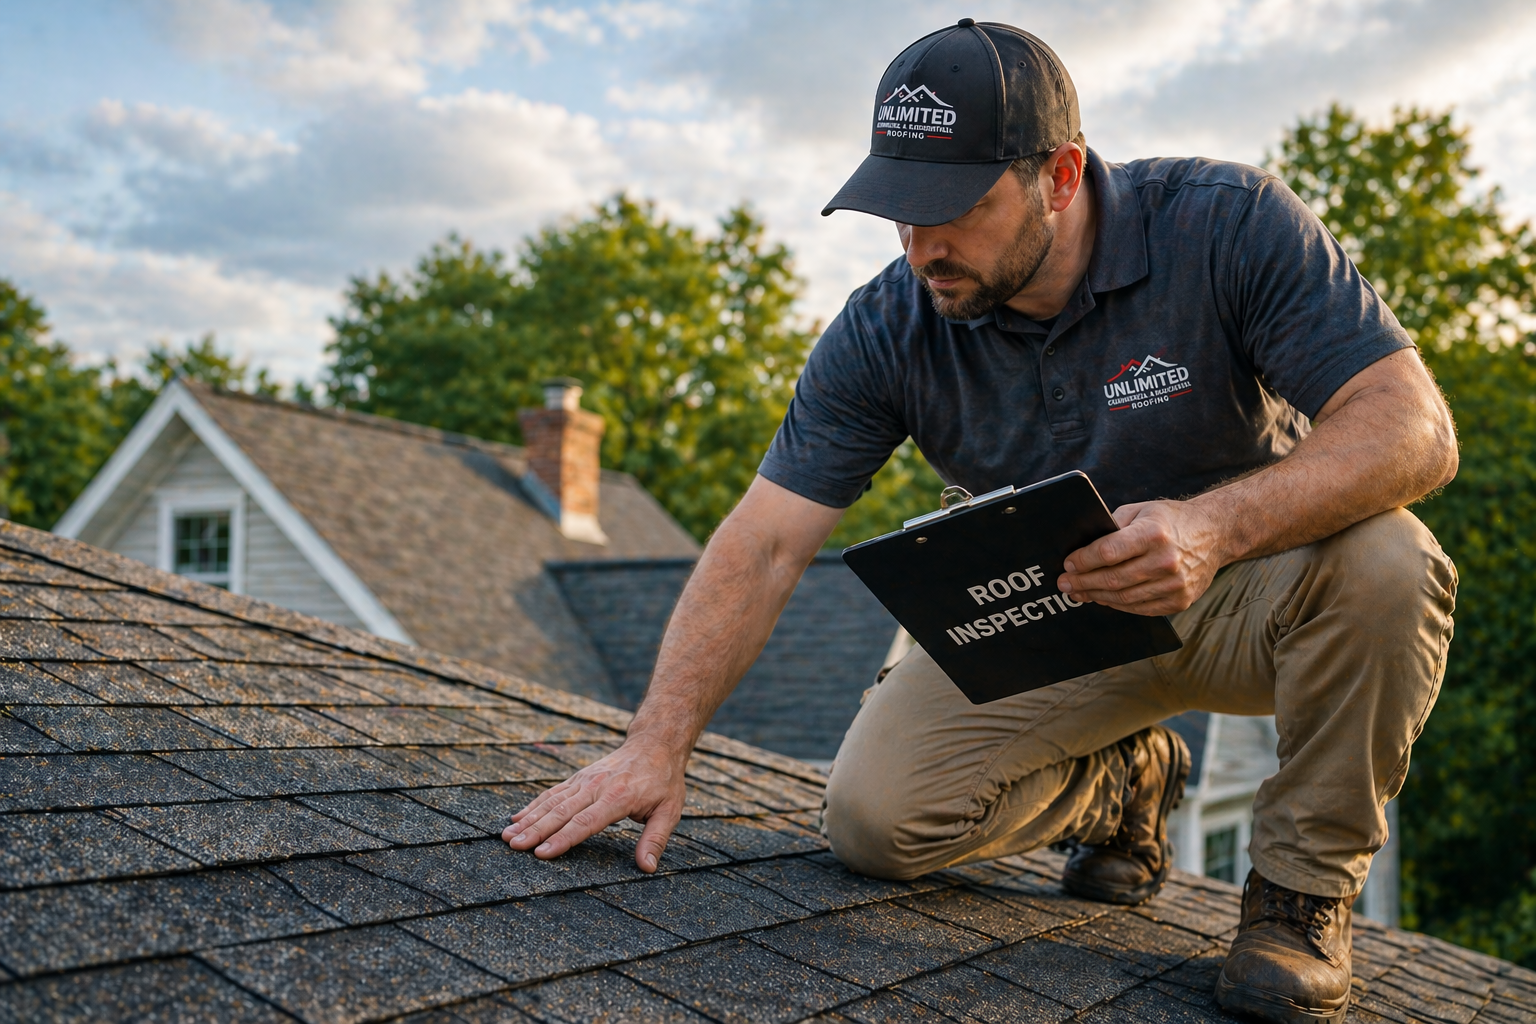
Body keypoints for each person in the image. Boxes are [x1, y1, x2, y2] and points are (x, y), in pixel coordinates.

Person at [504, 19, 1457, 1024]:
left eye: (953, 209)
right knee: (873, 822)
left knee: (1393, 560)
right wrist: (657, 743)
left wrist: (1213, 528)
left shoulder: (1224, 223)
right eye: (897, 214)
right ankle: (1121, 781)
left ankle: (1299, 900)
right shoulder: (890, 324)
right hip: (1050, 615)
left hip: (1255, 597)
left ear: (1060, 175)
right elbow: (765, 539)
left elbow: (1414, 430)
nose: (921, 249)